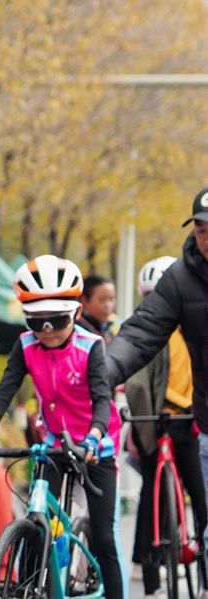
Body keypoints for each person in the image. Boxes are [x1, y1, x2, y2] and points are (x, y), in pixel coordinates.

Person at [0, 255, 126, 599]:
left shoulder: (91, 346)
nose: (48, 329)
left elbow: (102, 400)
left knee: (104, 536)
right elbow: (4, 391)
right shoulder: (26, 346)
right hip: (53, 443)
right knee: (37, 524)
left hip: (95, 445)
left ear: (76, 314)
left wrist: (93, 440)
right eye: (38, 321)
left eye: (57, 319)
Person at [105, 186, 208, 599]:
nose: (207, 239)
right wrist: (101, 374)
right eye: (201, 229)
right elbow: (140, 334)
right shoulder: (181, 280)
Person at [126, 256, 206, 599]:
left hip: (189, 421)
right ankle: (152, 578)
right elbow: (137, 385)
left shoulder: (193, 328)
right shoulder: (151, 332)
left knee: (200, 498)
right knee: (153, 498)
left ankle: (202, 576)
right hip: (155, 423)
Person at [77, 273, 118, 344]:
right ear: (84, 300)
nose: (108, 305)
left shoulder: (108, 330)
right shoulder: (78, 332)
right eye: (102, 299)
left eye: (111, 299)